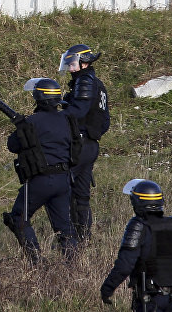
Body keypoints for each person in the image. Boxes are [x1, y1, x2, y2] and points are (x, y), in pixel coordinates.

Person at [1, 78, 78, 263]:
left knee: (18, 217)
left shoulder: (32, 122)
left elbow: (12, 145)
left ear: (38, 98)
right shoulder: (67, 119)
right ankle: (74, 265)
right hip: (64, 180)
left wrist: (21, 127)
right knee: (64, 228)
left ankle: (36, 262)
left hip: (40, 181)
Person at [100, 179, 172, 311]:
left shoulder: (138, 226)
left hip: (149, 298)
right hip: (171, 298)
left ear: (137, 203)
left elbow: (125, 265)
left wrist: (108, 288)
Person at [59, 44, 109, 242]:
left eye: (73, 64)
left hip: (81, 144)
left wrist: (55, 117)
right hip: (89, 144)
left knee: (68, 191)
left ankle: (72, 238)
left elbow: (77, 112)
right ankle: (84, 237)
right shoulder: (94, 82)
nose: (70, 68)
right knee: (81, 194)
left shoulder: (86, 81)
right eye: (68, 64)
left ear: (85, 62)